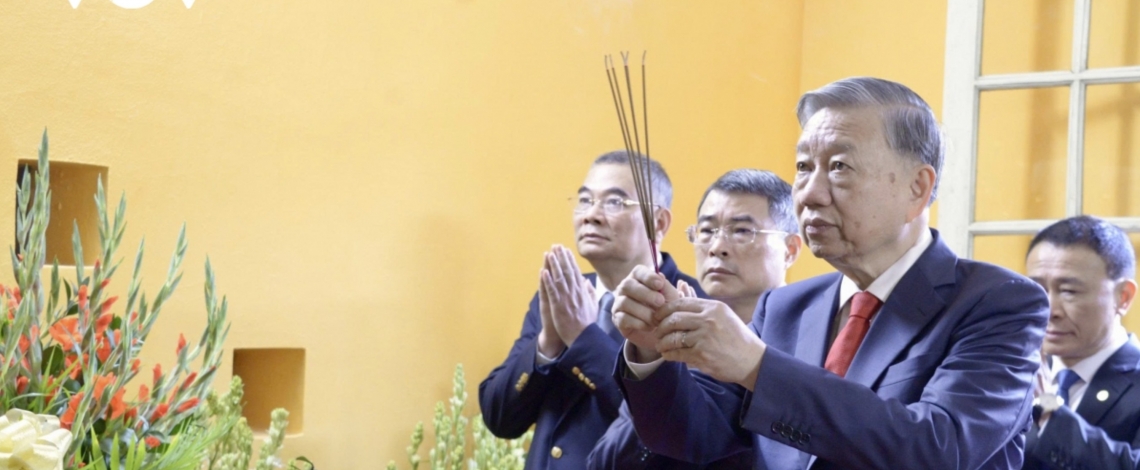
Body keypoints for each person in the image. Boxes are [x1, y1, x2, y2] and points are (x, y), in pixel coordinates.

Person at [611, 77, 1050, 469]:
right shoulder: (786, 306)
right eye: (803, 167)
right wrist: (651, 355)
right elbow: (697, 436)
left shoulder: (998, 302)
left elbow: (938, 447)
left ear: (917, 187)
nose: (810, 193)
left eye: (839, 167)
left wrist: (757, 366)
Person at [478, 150, 703, 470]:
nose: (591, 215)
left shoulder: (691, 303)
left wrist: (583, 338)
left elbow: (677, 429)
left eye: (614, 202)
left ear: (659, 221)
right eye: (584, 200)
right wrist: (549, 344)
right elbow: (499, 418)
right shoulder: (563, 294)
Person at [587, 169, 802, 470]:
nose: (717, 247)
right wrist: (655, 357)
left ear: (790, 250)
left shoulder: (812, 339)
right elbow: (604, 462)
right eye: (707, 230)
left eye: (741, 231)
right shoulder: (680, 339)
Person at [1023, 216, 1140, 469]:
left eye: (1069, 291)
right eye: (1037, 290)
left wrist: (1048, 410)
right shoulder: (1016, 375)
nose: (1049, 310)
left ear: (1123, 297)